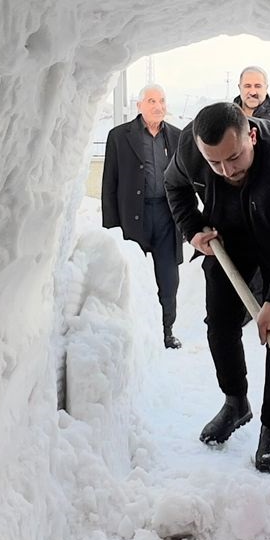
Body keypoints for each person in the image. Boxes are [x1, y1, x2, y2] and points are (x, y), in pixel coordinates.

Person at [164, 102, 270, 473]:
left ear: (251, 135)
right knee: (219, 323)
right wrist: (193, 230)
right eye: (215, 164)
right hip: (228, 238)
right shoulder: (192, 149)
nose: (226, 170)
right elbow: (174, 186)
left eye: (234, 158)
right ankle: (236, 402)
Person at [101, 85, 187, 347]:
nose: (157, 106)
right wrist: (112, 229)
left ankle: (166, 331)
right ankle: (133, 333)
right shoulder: (119, 136)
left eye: (161, 100)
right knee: (132, 278)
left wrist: (186, 222)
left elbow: (187, 182)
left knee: (168, 279)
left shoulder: (177, 136)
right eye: (151, 101)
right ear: (139, 105)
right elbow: (109, 184)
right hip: (132, 216)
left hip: (166, 217)